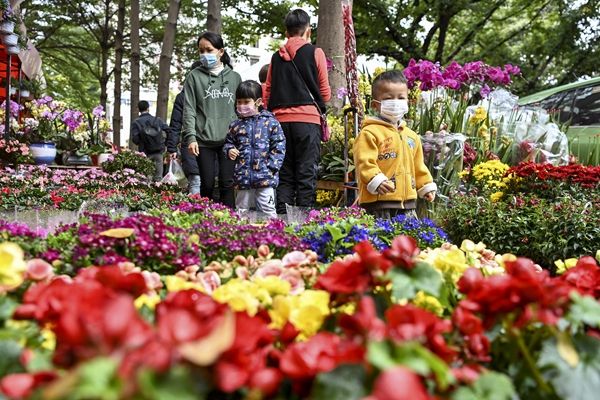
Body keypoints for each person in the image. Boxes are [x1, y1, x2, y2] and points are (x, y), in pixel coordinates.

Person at [264, 8, 331, 214]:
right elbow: (325, 93)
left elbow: (267, 93)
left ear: (286, 32)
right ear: (308, 30)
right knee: (306, 172)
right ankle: (304, 222)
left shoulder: (276, 57)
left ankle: (282, 223)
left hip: (280, 123)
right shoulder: (315, 52)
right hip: (307, 122)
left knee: (284, 173)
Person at [353, 70, 437, 219]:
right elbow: (364, 163)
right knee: (381, 241)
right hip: (379, 203)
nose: (396, 102)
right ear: (375, 104)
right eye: (389, 98)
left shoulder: (411, 136)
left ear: (407, 102)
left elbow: (418, 166)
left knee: (409, 240)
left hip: (408, 205)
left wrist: (425, 186)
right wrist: (376, 179)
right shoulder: (369, 133)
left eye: (401, 97)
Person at [181, 31, 241, 207]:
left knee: (227, 182)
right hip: (203, 140)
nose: (204, 55)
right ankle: (206, 221)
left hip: (229, 140)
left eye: (209, 50)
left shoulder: (234, 78)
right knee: (206, 184)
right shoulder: (194, 77)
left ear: (220, 51)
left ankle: (230, 222)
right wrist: (191, 137)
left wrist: (240, 137)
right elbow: (189, 109)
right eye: (201, 51)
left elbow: (240, 110)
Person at [223, 80, 286, 218]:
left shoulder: (271, 123)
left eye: (246, 102)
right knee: (241, 212)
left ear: (258, 102)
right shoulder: (236, 125)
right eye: (239, 102)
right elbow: (228, 143)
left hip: (265, 178)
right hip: (243, 178)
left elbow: (279, 145)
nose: (241, 105)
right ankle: (242, 236)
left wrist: (271, 168)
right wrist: (229, 150)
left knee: (268, 210)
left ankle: (275, 235)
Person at [166, 60, 203, 194]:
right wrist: (172, 147)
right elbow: (176, 124)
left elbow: (175, 124)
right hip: (190, 144)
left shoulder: (213, 96)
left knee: (202, 180)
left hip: (206, 145)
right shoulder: (183, 97)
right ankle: (195, 210)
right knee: (196, 178)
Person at [131, 100, 170, 182]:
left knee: (146, 179)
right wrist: (165, 144)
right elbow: (168, 130)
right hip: (158, 152)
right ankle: (158, 193)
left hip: (144, 153)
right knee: (158, 179)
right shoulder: (157, 120)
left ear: (138, 109)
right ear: (148, 108)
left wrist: (142, 141)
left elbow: (135, 139)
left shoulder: (136, 122)